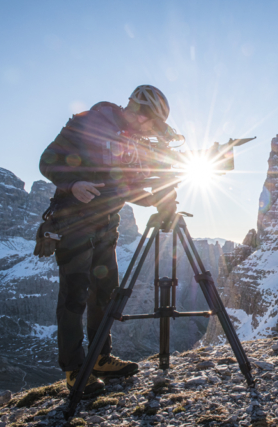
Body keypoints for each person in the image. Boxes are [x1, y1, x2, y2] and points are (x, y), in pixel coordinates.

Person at [38, 85, 177, 397]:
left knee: (105, 293)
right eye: (151, 121)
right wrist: (73, 184)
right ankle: (75, 371)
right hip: (74, 221)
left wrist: (160, 198)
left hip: (107, 224)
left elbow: (127, 186)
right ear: (138, 109)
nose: (150, 129)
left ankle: (99, 358)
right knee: (74, 294)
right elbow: (47, 161)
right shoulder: (88, 123)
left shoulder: (130, 140)